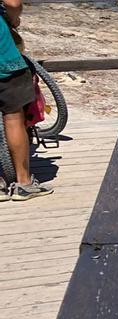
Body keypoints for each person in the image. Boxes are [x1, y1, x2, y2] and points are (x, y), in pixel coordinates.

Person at [0, 0, 47, 202]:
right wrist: (13, 17)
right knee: (13, 118)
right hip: (4, 59)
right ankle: (24, 183)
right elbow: (13, 2)